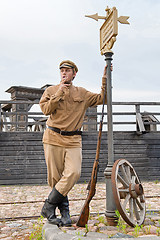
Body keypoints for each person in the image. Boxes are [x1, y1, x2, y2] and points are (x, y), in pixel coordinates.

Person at [39, 60, 108, 226]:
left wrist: (105, 77)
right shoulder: (51, 90)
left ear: (74, 74)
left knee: (73, 173)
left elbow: (102, 98)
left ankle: (48, 206)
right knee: (55, 179)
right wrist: (58, 94)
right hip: (53, 137)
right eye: (62, 70)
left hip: (73, 140)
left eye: (67, 71)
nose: (64, 73)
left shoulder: (82, 93)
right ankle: (65, 214)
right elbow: (45, 110)